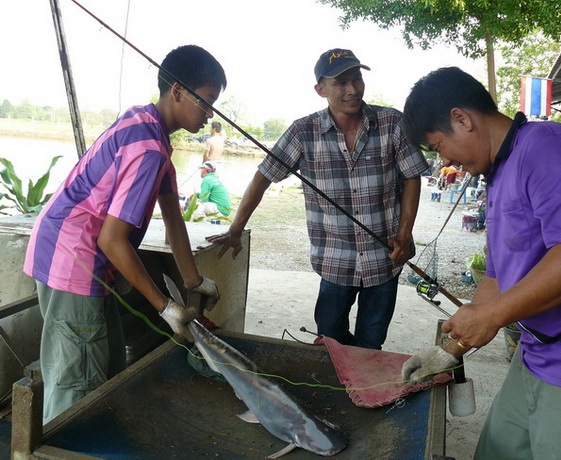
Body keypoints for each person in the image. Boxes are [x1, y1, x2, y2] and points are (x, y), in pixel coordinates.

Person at [401, 66, 561, 459]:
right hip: (535, 351)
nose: (442, 158)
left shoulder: (546, 146)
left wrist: (493, 316)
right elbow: (496, 279)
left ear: (461, 119)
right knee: (495, 450)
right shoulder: (500, 173)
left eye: (437, 145)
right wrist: (450, 349)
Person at [23, 44, 226, 424]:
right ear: (178, 91)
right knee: (77, 386)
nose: (209, 113)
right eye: (207, 100)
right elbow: (111, 240)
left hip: (75, 254)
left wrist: (194, 281)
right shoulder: (149, 147)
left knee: (110, 362)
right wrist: (166, 308)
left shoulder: (148, 127)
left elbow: (173, 219)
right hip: (75, 259)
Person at [207, 48, 428, 350]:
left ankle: (360, 383)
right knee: (329, 339)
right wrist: (235, 229)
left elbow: (412, 176)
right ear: (320, 89)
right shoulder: (303, 132)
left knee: (372, 342)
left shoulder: (391, 122)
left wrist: (404, 234)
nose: (352, 90)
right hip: (334, 261)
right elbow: (262, 178)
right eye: (340, 83)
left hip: (385, 261)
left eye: (356, 79)